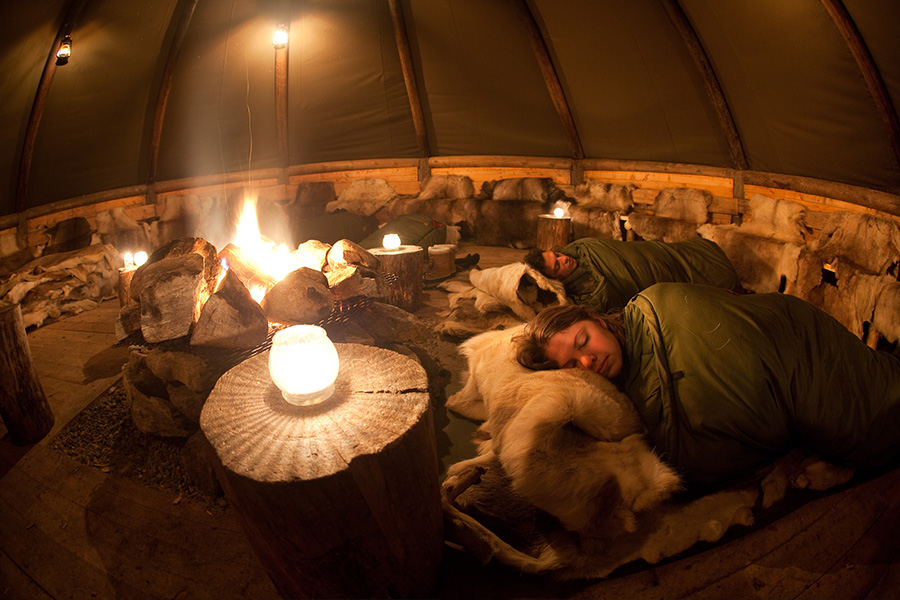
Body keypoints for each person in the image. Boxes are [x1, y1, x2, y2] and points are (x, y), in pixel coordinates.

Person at [514, 283, 900, 487]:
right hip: (784, 379)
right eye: (572, 364)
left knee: (869, 419)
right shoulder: (619, 401)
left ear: (596, 320)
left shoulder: (658, 303)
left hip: (793, 331)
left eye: (584, 341)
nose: (588, 360)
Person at [522, 236, 741, 312]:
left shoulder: (581, 248)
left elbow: (628, 250)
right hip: (660, 274)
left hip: (661, 254)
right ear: (556, 279)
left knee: (678, 254)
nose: (564, 259)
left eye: (557, 255)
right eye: (558, 266)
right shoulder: (590, 294)